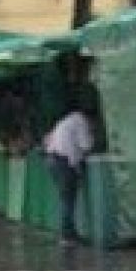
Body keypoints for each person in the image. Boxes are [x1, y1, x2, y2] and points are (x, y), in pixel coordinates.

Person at [43, 102, 95, 244]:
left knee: (65, 199)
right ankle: (67, 236)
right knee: (68, 200)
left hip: (52, 159)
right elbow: (87, 145)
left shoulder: (65, 120)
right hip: (62, 161)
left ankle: (69, 233)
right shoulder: (81, 121)